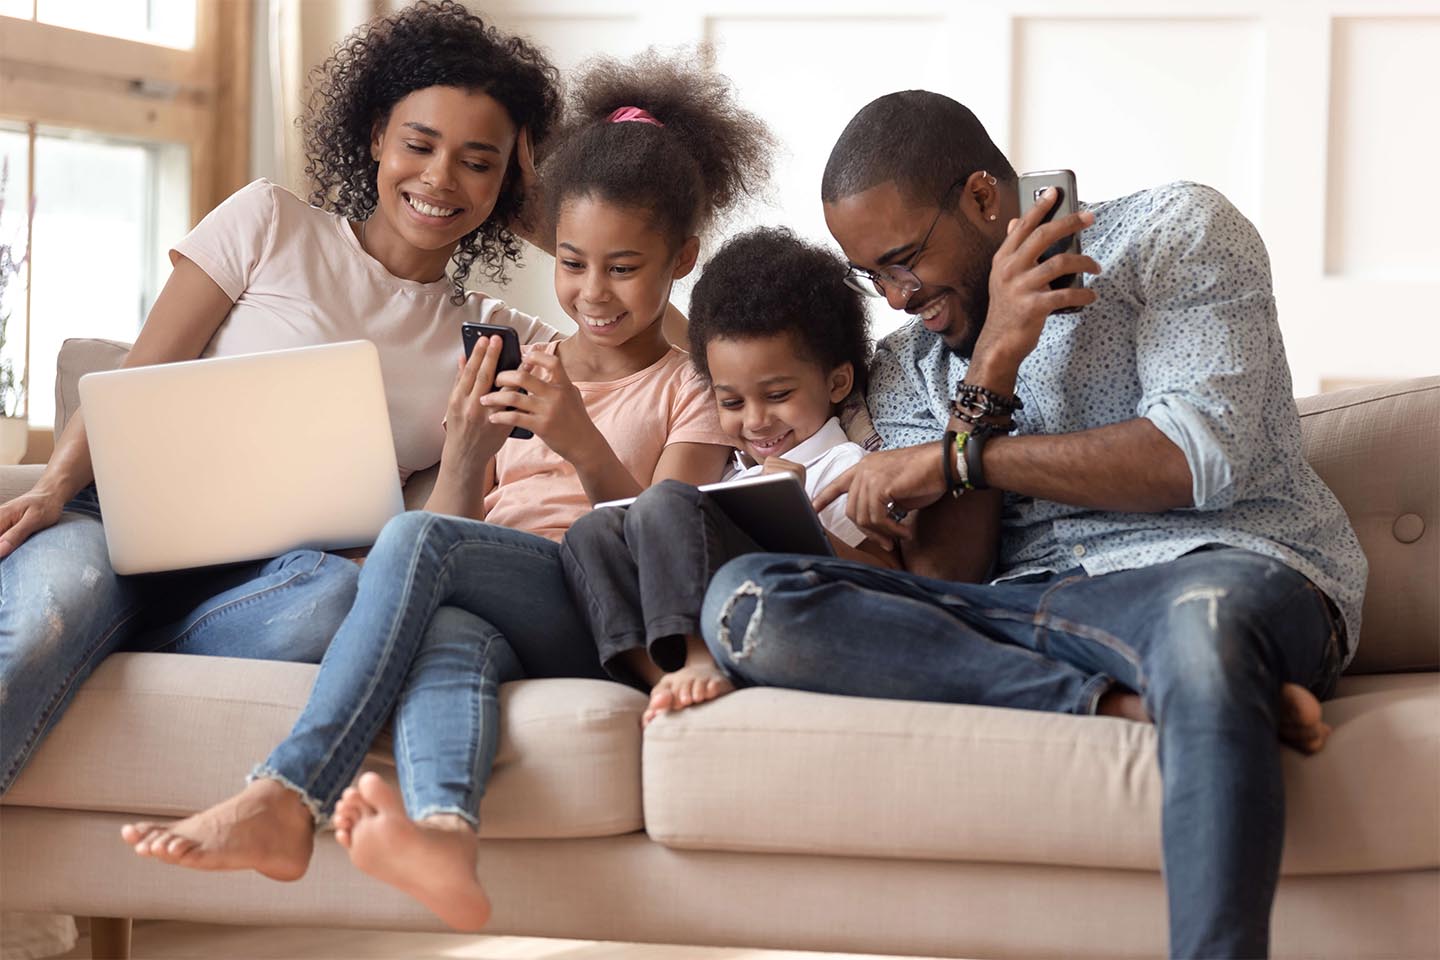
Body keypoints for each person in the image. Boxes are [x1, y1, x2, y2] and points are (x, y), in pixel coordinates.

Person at [697, 91, 1366, 959]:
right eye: (874, 277)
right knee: (746, 603)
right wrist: (994, 361)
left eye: (905, 259)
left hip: (1220, 568)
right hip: (1030, 614)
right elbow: (946, 580)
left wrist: (958, 459)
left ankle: (1199, 693)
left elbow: (1194, 458)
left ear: (983, 199)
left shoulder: (1175, 233)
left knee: (1202, 629)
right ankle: (1140, 702)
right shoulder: (913, 363)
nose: (898, 299)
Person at [119, 47, 773, 934]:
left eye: (625, 267)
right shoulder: (524, 356)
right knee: (452, 638)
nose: (592, 291)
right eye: (572, 262)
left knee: (412, 539)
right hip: (512, 596)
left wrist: (579, 440)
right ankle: (446, 838)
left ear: (680, 260)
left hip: (601, 604)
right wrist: (465, 453)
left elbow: (666, 537)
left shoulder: (691, 386)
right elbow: (468, 527)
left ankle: (286, 794)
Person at [0, 0, 562, 795]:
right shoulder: (268, 222)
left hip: (277, 583)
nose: (440, 178)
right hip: (119, 527)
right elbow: (135, 372)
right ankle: (102, 624)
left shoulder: (495, 336)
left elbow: (663, 351)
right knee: (36, 631)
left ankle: (131, 640)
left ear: (511, 177)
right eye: (419, 144)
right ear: (375, 137)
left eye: (479, 161)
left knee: (333, 602)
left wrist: (553, 212)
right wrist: (56, 485)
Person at [562, 225, 896, 727]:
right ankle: (662, 679)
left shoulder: (851, 468)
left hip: (795, 610)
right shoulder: (732, 471)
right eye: (732, 402)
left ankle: (699, 660)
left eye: (778, 395)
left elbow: (893, 581)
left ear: (837, 381)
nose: (756, 421)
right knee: (592, 530)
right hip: (726, 599)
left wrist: (803, 520)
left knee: (668, 499)